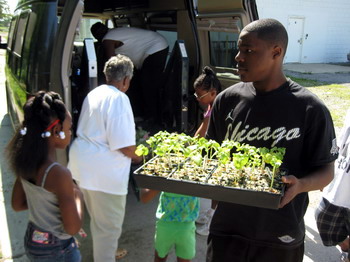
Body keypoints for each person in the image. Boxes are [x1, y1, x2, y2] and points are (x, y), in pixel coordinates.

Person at [205, 18, 338, 262]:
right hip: (227, 228)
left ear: (276, 52)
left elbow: (327, 171)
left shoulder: (309, 109)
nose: (238, 57)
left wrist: (301, 184)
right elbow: (210, 154)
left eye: (248, 50)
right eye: (239, 49)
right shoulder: (227, 100)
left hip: (279, 234)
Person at [68, 54, 142, 262]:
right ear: (126, 80)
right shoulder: (119, 98)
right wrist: (141, 157)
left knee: (99, 221)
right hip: (103, 174)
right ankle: (106, 255)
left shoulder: (95, 93)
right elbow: (125, 145)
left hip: (81, 167)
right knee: (108, 228)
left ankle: (107, 251)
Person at [6, 91, 84, 261]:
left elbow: (17, 204)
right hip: (58, 249)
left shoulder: (26, 160)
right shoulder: (59, 174)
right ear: (56, 130)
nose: (70, 133)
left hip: (34, 239)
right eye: (68, 128)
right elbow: (72, 228)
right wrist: (77, 196)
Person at [90, 22, 169, 126]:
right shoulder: (114, 33)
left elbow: (112, 62)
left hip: (156, 47)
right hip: (156, 45)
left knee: (148, 84)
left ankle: (152, 119)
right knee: (143, 83)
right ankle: (146, 115)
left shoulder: (108, 39)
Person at [315, 108, 350, 262]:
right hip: (343, 178)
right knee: (323, 220)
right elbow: (343, 138)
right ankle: (347, 248)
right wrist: (330, 171)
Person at [192, 66, 221, 236]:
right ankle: (210, 213)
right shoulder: (210, 105)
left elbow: (204, 130)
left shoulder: (218, 106)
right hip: (212, 149)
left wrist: (192, 145)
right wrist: (190, 141)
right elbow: (202, 127)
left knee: (216, 187)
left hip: (220, 150)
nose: (197, 98)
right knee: (211, 184)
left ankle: (213, 220)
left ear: (212, 92)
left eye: (199, 95)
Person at [140, 189, 199, 262]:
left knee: (160, 258)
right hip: (184, 227)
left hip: (167, 226)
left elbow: (144, 197)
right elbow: (145, 198)